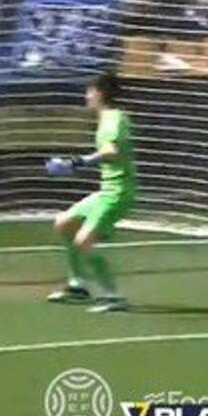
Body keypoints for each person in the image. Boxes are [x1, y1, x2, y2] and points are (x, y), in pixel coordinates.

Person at [44, 71, 137, 313]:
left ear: (100, 93)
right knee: (63, 223)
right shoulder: (105, 119)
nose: (86, 97)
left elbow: (112, 151)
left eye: (89, 92)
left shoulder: (116, 119)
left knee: (83, 241)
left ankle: (112, 295)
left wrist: (75, 163)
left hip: (119, 193)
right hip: (106, 190)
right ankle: (77, 286)